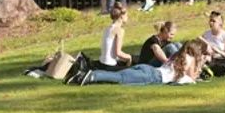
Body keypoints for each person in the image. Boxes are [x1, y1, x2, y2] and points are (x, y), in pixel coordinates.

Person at [75, 39, 206, 86]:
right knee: (119, 77)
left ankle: (83, 74)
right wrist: (199, 67)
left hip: (148, 69)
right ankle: (91, 76)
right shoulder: (190, 60)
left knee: (120, 74)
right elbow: (190, 78)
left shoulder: (178, 55)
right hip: (153, 76)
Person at [199, 9, 225, 77]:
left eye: (214, 21)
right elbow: (201, 50)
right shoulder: (206, 34)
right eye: (210, 20)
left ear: (220, 23)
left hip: (221, 60)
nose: (211, 23)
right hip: (208, 59)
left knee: (219, 67)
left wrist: (218, 51)